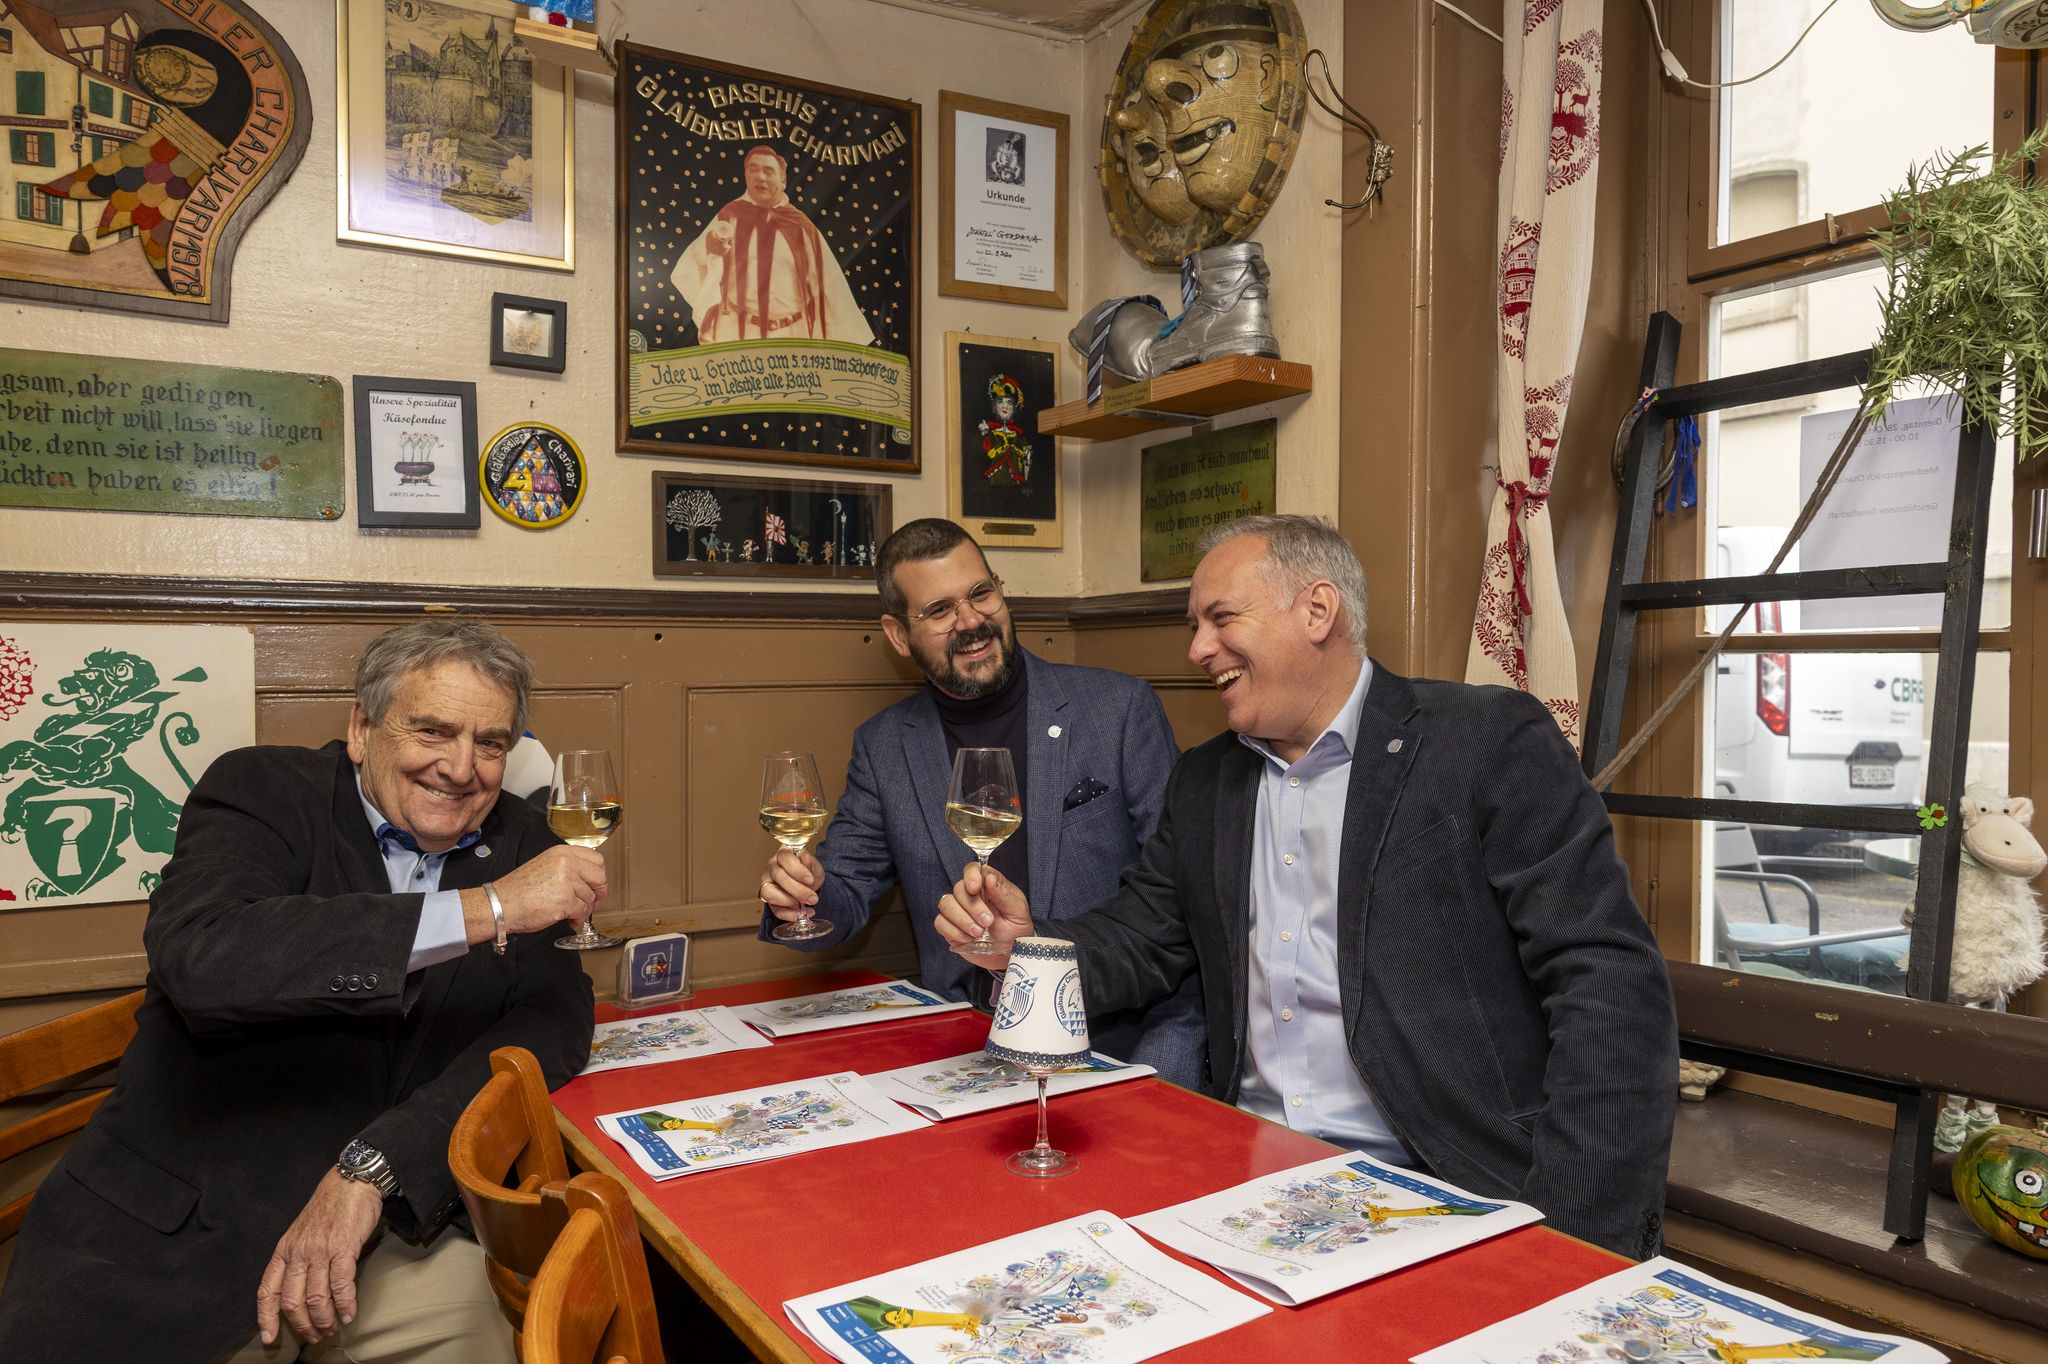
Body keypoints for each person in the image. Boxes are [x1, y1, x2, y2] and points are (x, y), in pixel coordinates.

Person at [934, 514, 1678, 1260]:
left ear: (1318, 611)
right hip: (1239, 1177)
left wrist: (1576, 1244)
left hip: (1446, 1191)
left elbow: (1608, 980)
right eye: (1194, 627)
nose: (1197, 650)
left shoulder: (1483, 742)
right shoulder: (1206, 780)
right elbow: (1141, 939)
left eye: (1221, 618)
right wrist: (1026, 948)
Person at [0, 620, 602, 1361]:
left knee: (510, 1335)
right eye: (433, 730)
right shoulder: (262, 791)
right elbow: (205, 958)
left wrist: (376, 1165)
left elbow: (552, 1021)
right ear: (362, 728)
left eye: (490, 743)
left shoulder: (526, 839)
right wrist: (491, 908)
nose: (460, 767)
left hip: (397, 1214)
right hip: (183, 1232)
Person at [759, 518, 1205, 1087]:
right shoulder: (885, 745)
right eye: (939, 610)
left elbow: (1180, 906)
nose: (971, 621)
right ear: (898, 636)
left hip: (1111, 1040)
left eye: (980, 593)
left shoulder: (1117, 710)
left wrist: (1162, 1074)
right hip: (963, 1052)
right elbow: (845, 891)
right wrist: (803, 896)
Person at [670, 144, 875, 346]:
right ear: (746, 175)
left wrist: (849, 340)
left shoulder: (800, 225)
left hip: (792, 334)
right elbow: (689, 269)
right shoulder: (729, 215)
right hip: (736, 331)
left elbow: (829, 285)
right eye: (753, 169)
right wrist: (712, 297)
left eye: (768, 171)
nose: (760, 177)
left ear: (782, 180)